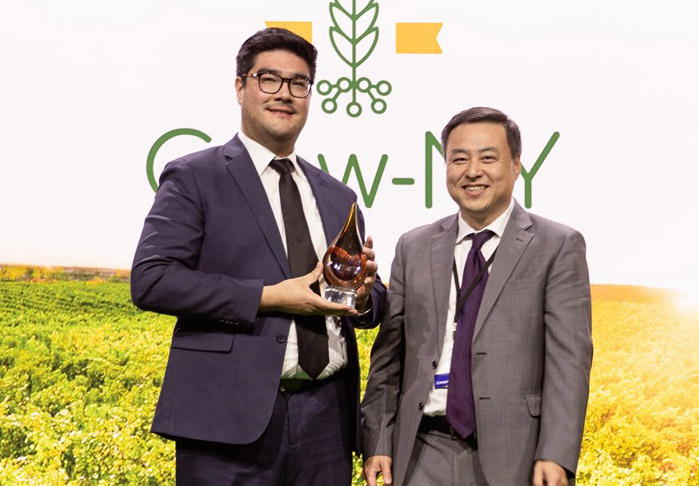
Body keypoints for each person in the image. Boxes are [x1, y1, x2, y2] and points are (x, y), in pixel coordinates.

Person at [131, 28, 386, 486]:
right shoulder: (195, 176)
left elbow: (368, 300)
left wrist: (363, 296)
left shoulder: (338, 194)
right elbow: (152, 279)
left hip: (327, 418)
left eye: (299, 83)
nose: (285, 94)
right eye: (269, 79)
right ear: (240, 86)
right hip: (226, 421)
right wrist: (269, 297)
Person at [361, 107, 592, 486]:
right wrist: (377, 441)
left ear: (516, 165)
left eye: (488, 157)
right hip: (420, 450)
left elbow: (569, 360)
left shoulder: (557, 245)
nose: (472, 171)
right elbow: (389, 357)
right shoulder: (414, 246)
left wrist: (556, 452)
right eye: (459, 159)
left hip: (514, 452)